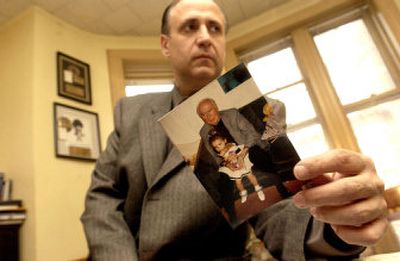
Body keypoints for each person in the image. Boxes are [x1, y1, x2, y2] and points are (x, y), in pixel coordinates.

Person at [81, 0, 388, 260]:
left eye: (215, 28)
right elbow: (102, 198)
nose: (205, 37)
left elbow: (275, 205)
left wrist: (334, 229)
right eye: (190, 27)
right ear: (165, 44)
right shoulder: (130, 110)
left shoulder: (256, 111)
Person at [208, 130, 265, 203]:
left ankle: (258, 188)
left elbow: (240, 149)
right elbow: (224, 162)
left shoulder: (230, 145)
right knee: (238, 182)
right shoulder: (220, 154)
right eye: (216, 147)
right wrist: (227, 162)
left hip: (242, 162)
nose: (219, 147)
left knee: (250, 175)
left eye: (220, 144)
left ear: (225, 141)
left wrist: (235, 155)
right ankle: (243, 192)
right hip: (234, 166)